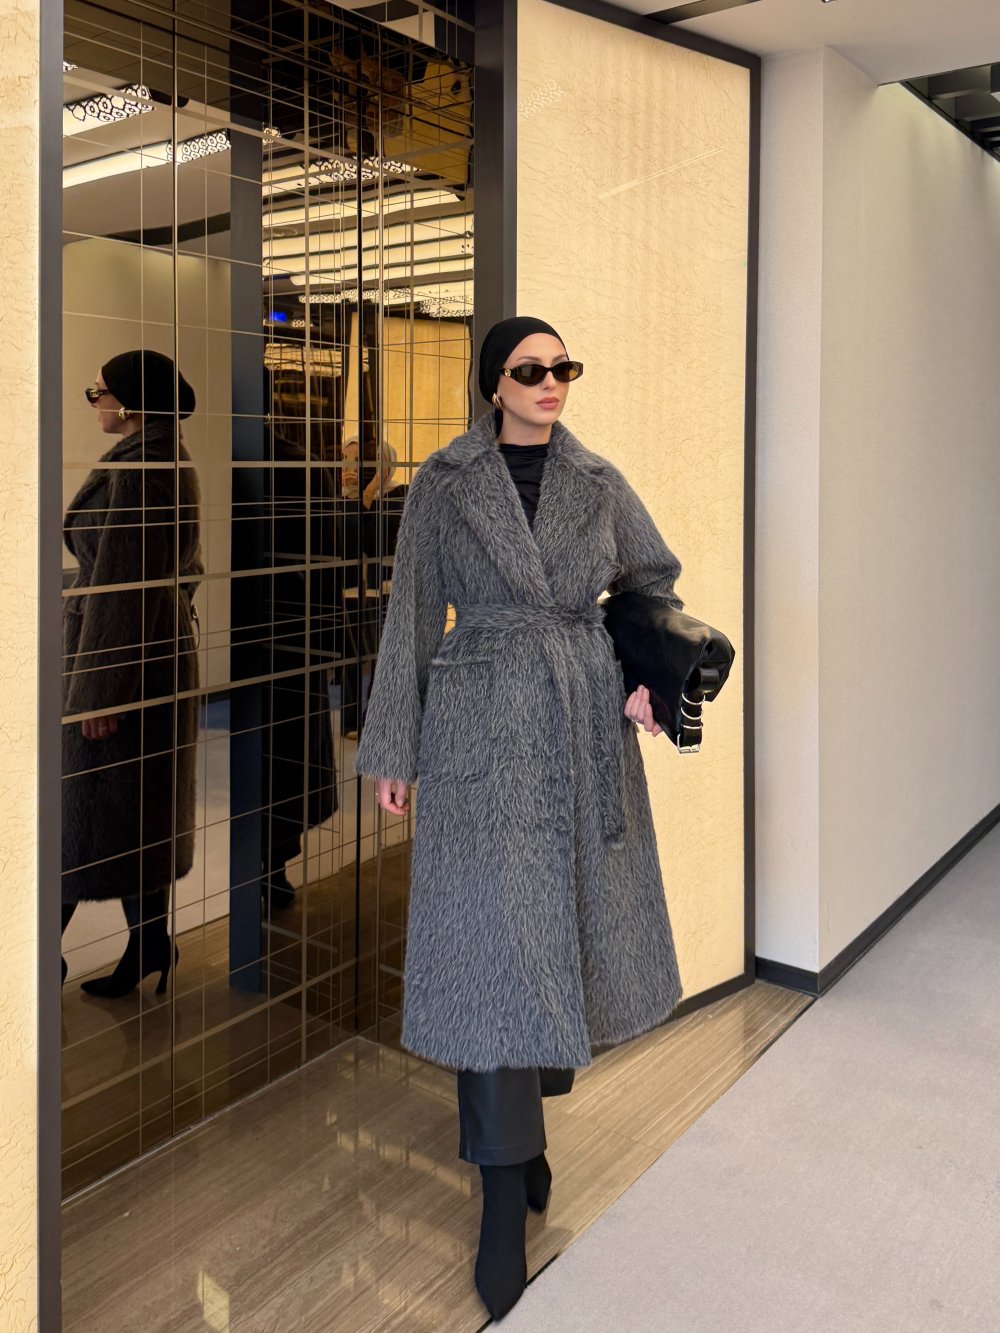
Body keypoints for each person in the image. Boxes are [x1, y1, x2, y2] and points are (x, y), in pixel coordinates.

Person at [354, 316, 685, 1319]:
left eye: (562, 367)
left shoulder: (598, 480)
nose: (550, 382)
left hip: (579, 718)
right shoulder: (446, 481)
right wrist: (393, 746)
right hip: (479, 719)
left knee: (556, 935)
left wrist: (644, 677)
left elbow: (651, 582)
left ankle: (525, 1137)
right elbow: (412, 610)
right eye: (530, 369)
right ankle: (503, 1197)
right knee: (492, 950)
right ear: (494, 383)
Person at [61, 350, 202, 997]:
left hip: (123, 664)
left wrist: (100, 691)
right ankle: (148, 943)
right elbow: (177, 572)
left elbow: (123, 584)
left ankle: (40, 959)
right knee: (133, 812)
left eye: (99, 392)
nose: (94, 402)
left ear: (131, 403)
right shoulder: (159, 459)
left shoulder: (144, 468)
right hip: (145, 655)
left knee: (85, 815)